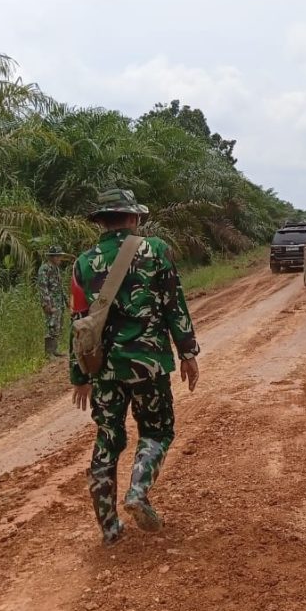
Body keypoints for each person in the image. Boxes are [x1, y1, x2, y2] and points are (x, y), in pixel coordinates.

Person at [69, 189, 201, 546]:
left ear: (102, 220)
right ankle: (138, 492)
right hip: (149, 364)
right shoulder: (156, 251)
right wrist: (188, 352)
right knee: (157, 432)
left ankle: (110, 529)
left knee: (108, 439)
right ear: (131, 218)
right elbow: (175, 304)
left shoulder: (83, 263)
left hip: (105, 371)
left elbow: (80, 323)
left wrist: (80, 376)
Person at [37, 246, 71, 357]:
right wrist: (46, 304)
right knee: (50, 325)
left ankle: (54, 350)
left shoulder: (56, 269)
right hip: (51, 302)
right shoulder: (44, 269)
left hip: (59, 302)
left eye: (60, 256)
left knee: (58, 326)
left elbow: (60, 287)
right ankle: (48, 353)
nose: (60, 258)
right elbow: (43, 287)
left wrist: (67, 301)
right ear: (52, 257)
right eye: (58, 256)